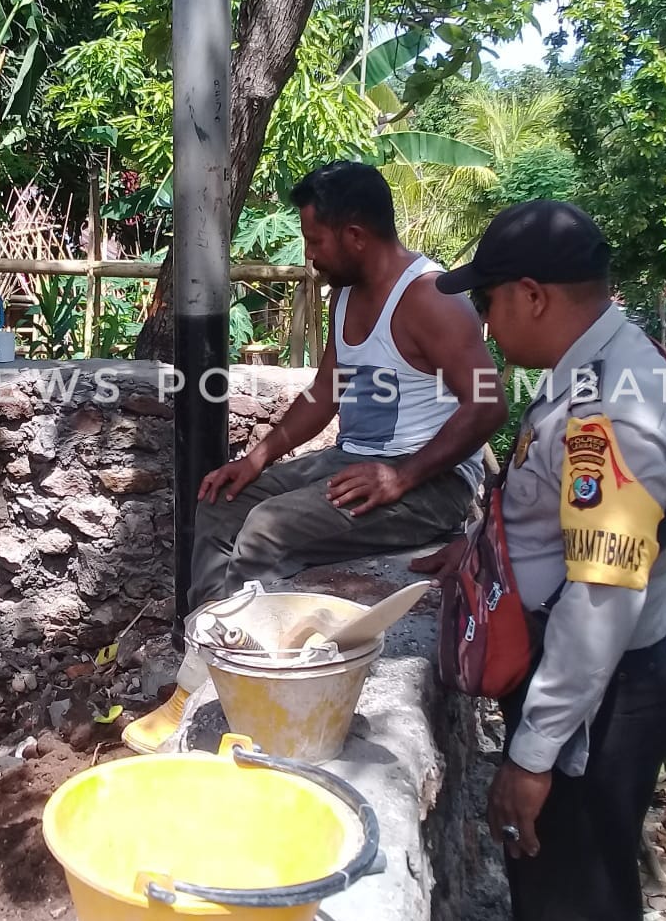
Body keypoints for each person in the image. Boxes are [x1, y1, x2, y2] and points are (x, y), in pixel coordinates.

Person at [412, 200, 666, 921]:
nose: (487, 330)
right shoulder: (592, 372)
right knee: (557, 881)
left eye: (489, 304)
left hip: (597, 695)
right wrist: (475, 557)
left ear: (532, 295)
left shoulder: (616, 407)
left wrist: (535, 754)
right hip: (586, 684)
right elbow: (550, 520)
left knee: (578, 889)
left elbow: (599, 599)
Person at [123, 160, 509, 753]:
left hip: (430, 487)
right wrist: (255, 459)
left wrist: (402, 475)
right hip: (357, 462)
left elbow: (487, 405)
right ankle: (205, 670)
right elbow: (324, 394)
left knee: (267, 529)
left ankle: (219, 689)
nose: (310, 255)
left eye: (315, 240)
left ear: (355, 235)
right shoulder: (348, 297)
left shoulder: (429, 299)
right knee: (224, 502)